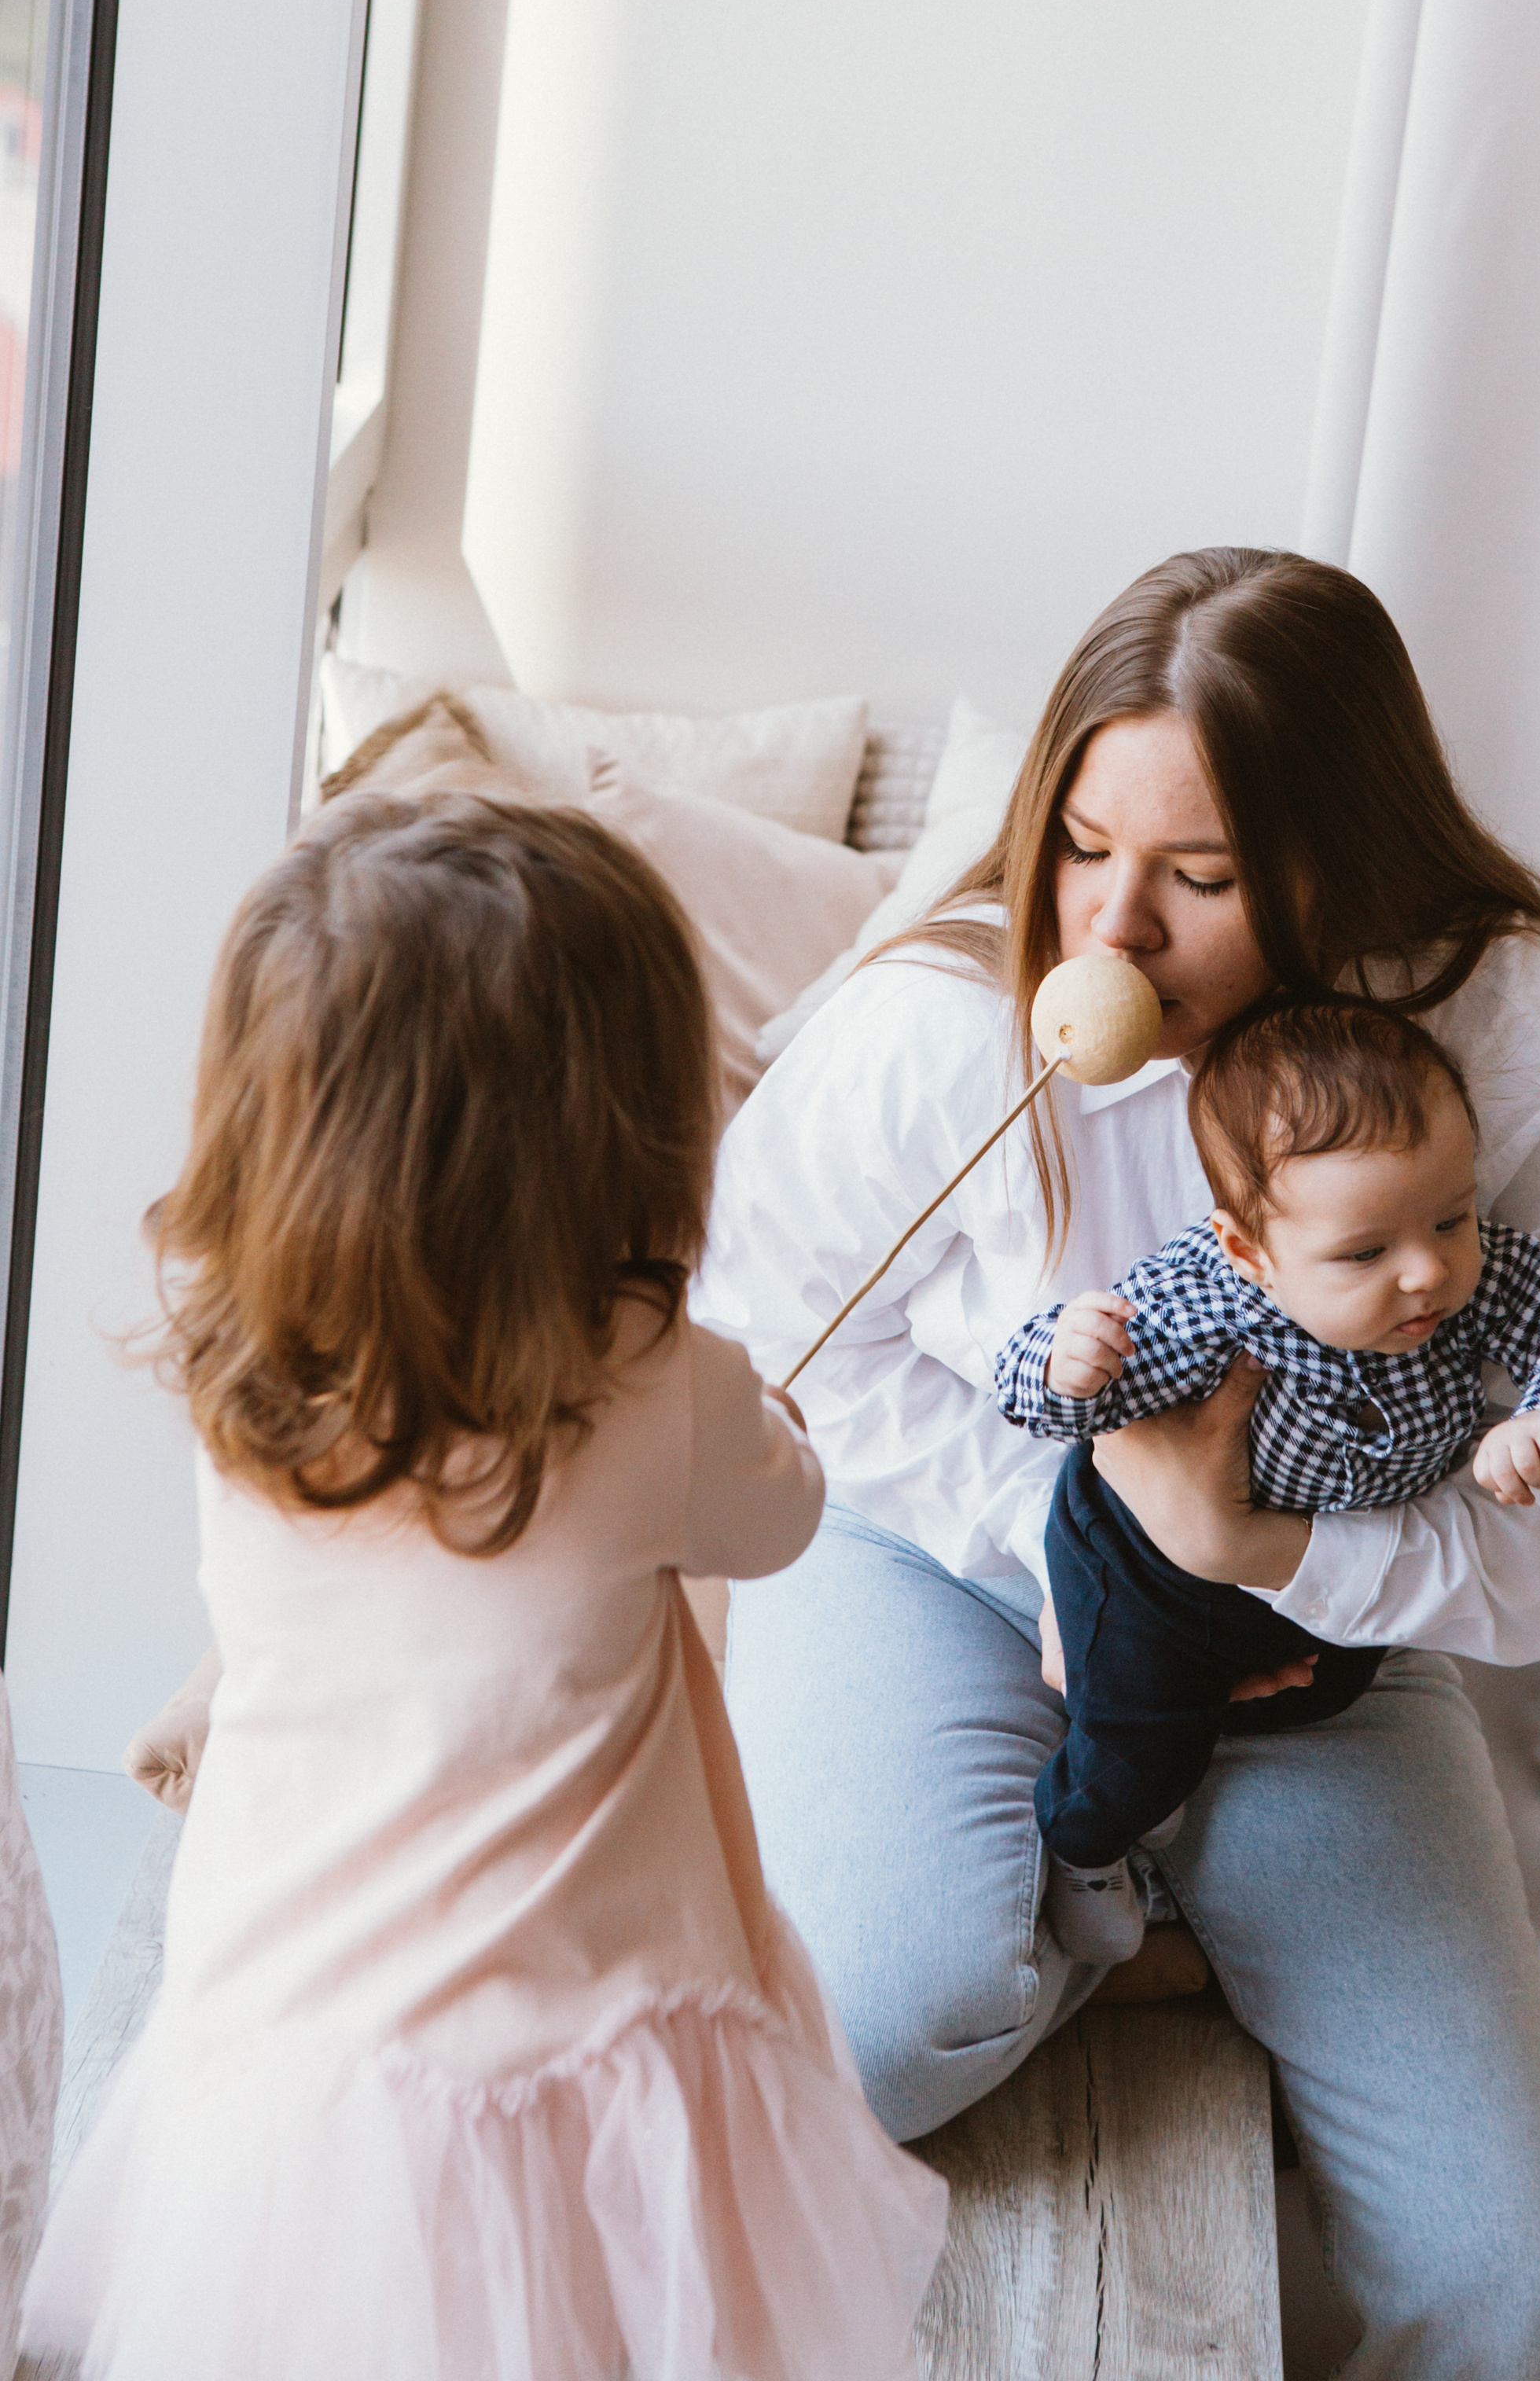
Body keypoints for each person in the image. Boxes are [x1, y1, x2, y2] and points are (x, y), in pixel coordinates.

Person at [697, 546, 1540, 2381]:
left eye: (1200, 876)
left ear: (1338, 863)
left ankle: (1163, 1878)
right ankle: (1113, 1907)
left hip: (1312, 1630)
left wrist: (1253, 1550)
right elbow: (780, 1354)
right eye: (1079, 845)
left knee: (1504, 2294)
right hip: (939, 1554)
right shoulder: (939, 1026)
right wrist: (1094, 1539)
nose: (1111, 933)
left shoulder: (1518, 1038)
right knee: (882, 2022)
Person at [21, 794, 945, 2381]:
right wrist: (763, 1409)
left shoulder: (240, 1378)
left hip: (289, 2043)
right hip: (578, 2062)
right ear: (623, 1142)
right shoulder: (654, 1385)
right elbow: (781, 1520)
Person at [994, 995, 1540, 1958]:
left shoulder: (1469, 1276)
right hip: (1142, 1569)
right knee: (1139, 1741)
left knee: (1324, 1691)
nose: (1424, 1273)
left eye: (1450, 1219)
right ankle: (1085, 1844)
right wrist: (1066, 1364)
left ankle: (1207, 1719)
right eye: (1365, 1253)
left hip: (1302, 1561)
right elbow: (1045, 1396)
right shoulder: (1208, 1306)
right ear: (1249, 1252)